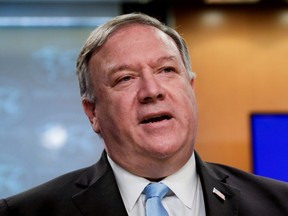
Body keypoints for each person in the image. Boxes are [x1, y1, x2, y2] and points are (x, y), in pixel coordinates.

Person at [0, 12, 288, 216]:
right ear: (93, 113)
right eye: (125, 78)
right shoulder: (23, 212)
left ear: (191, 89)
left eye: (166, 70)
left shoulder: (279, 203)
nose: (152, 90)